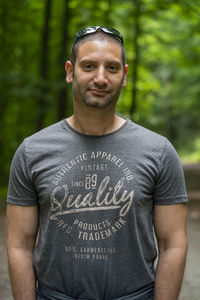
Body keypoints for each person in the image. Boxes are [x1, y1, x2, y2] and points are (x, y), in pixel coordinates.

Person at [7, 26, 188, 300]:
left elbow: (172, 243)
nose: (100, 78)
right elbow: (19, 244)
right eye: (89, 66)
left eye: (112, 68)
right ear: (70, 72)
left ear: (124, 75)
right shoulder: (32, 151)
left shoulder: (159, 151)